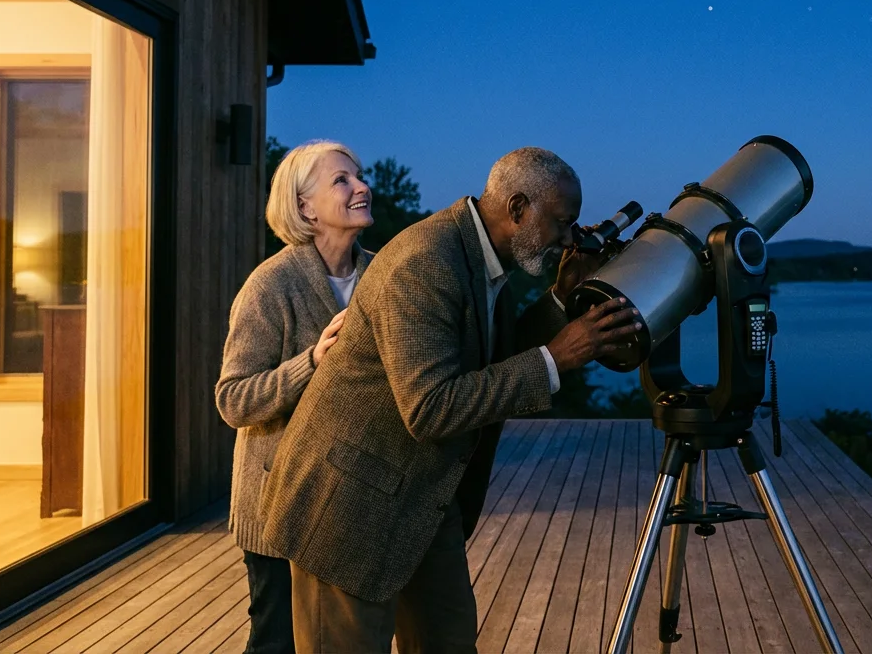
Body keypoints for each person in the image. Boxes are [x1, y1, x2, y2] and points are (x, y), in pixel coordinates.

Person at [259, 147, 639, 653]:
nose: (570, 238)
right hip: (348, 508)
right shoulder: (427, 262)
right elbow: (430, 408)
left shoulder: (484, 257)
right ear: (519, 209)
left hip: (420, 500)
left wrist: (559, 298)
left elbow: (491, 359)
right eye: (562, 223)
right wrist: (555, 359)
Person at [215, 140, 375, 654]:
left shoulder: (381, 275)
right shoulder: (271, 285)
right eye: (341, 180)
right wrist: (311, 362)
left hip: (353, 502)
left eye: (359, 176)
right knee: (277, 644)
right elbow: (233, 399)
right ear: (304, 206)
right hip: (279, 502)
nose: (361, 187)